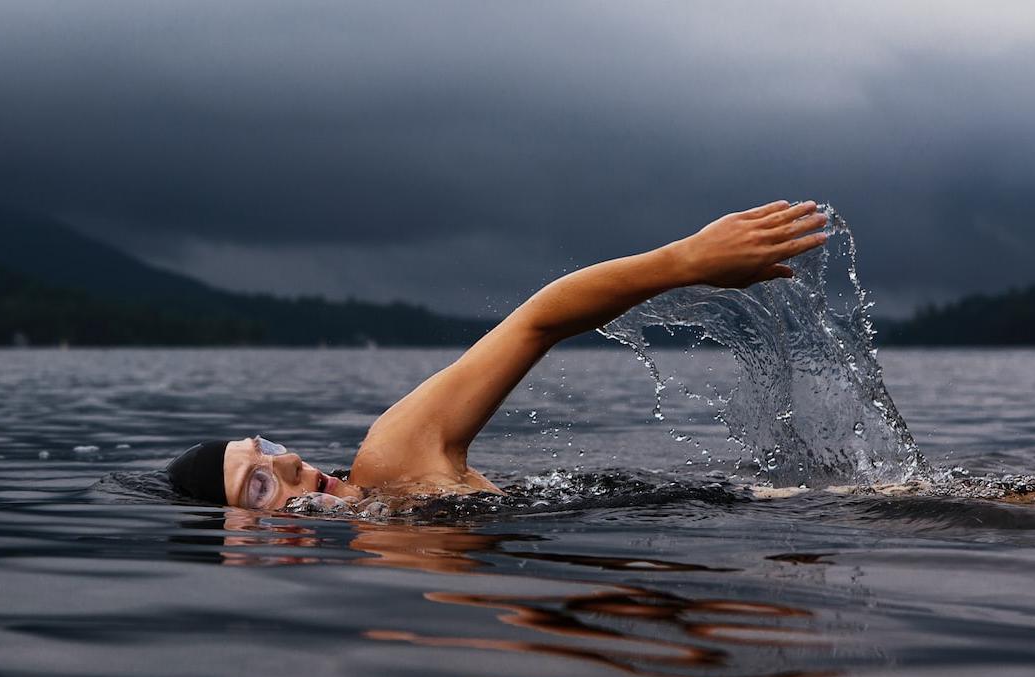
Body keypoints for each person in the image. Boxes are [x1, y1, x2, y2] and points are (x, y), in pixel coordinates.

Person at [166, 200, 829, 509]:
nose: (288, 461)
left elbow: (536, 322)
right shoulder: (382, 574)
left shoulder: (391, 461)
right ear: (239, 546)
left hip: (796, 508)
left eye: (268, 447)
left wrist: (685, 261)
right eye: (258, 483)